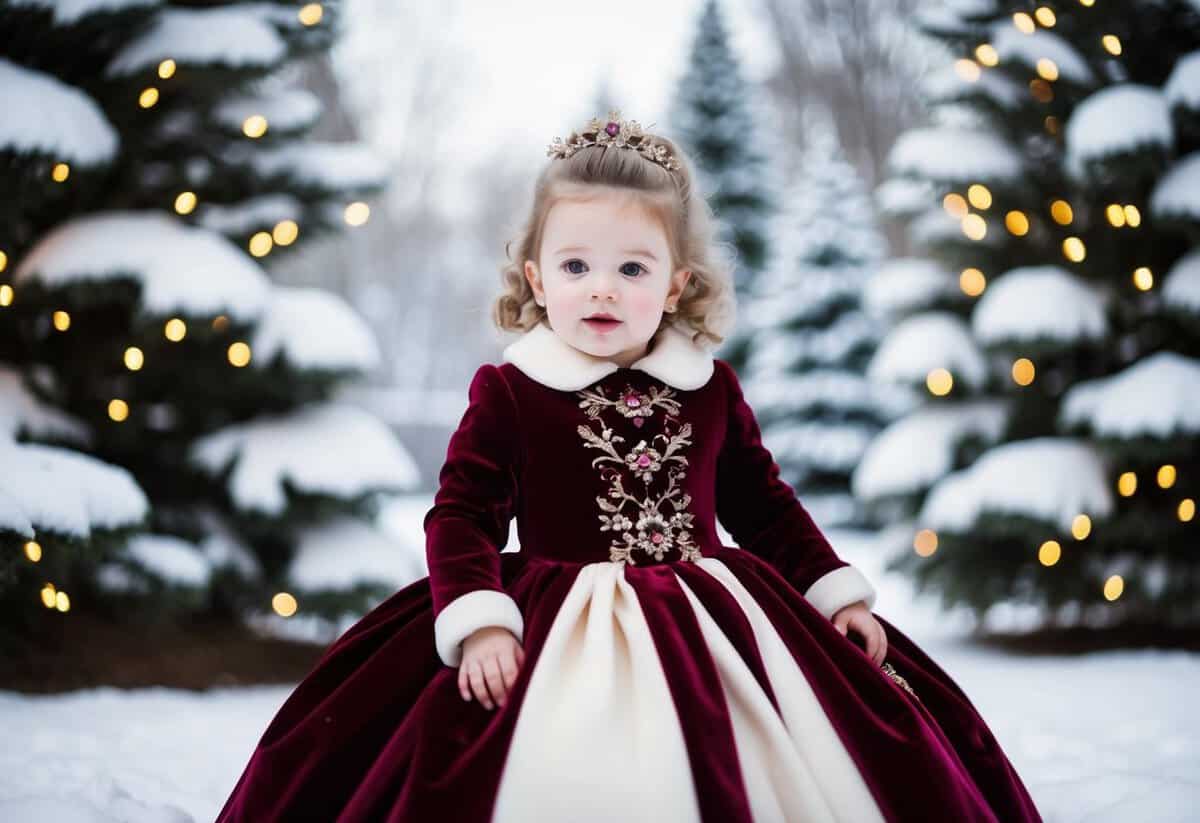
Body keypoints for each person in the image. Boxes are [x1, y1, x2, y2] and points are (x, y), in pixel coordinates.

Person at [216, 111, 1042, 822]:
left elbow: (764, 505)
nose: (601, 290)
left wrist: (834, 592)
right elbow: (461, 512)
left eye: (632, 269)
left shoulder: (709, 387)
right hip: (556, 623)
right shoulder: (513, 389)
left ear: (677, 284)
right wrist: (481, 618)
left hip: (716, 622)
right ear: (537, 277)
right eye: (576, 266)